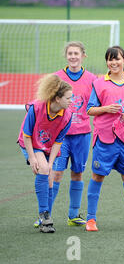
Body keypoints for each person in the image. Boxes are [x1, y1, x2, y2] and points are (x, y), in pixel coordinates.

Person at [85, 46, 124, 232]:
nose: (114, 62)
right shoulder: (98, 83)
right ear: (107, 62)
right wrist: (105, 109)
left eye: (117, 59)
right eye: (110, 60)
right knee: (97, 176)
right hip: (104, 140)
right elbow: (89, 110)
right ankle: (91, 220)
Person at [37, 41, 96, 228]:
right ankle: (46, 215)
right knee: (55, 174)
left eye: (76, 53)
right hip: (59, 137)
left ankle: (73, 215)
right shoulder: (56, 79)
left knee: (77, 174)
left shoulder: (93, 79)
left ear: (83, 55)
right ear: (66, 56)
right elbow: (45, 104)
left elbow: (96, 105)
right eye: (70, 53)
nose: (73, 56)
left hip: (83, 135)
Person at [17, 74, 73, 233]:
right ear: (57, 98)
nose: (71, 101)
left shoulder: (67, 116)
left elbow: (58, 142)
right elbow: (26, 135)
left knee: (49, 178)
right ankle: (44, 216)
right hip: (30, 144)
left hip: (49, 146)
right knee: (42, 168)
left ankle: (44, 219)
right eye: (68, 98)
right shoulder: (37, 108)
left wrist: (50, 163)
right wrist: (33, 158)